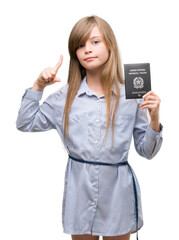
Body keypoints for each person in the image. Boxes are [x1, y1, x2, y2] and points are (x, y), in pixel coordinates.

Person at [16, 15, 163, 240]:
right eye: (80, 45)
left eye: (95, 42)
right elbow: (25, 122)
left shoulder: (131, 97)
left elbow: (147, 151)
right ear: (75, 53)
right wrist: (38, 86)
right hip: (80, 195)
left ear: (110, 45)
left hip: (117, 196)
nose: (87, 49)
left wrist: (154, 119)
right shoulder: (65, 98)